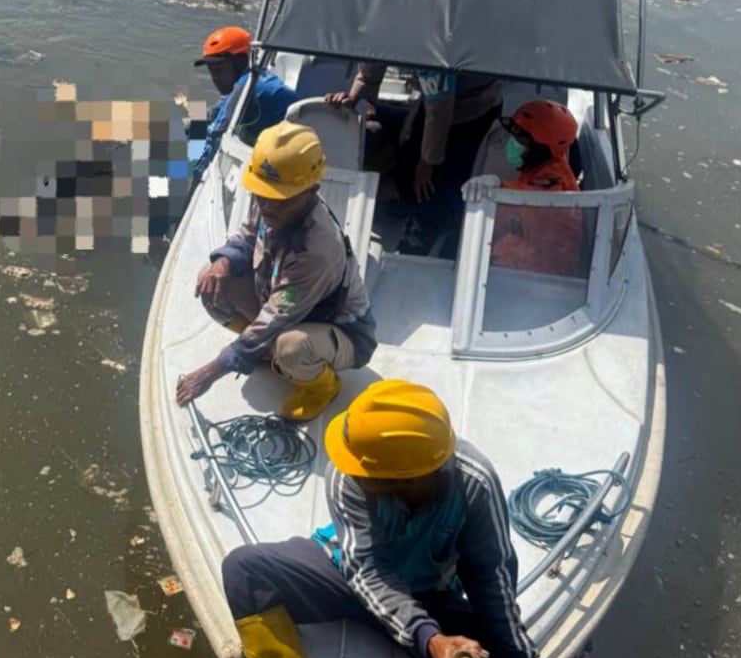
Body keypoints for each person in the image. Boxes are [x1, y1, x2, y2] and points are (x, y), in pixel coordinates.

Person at [221, 379, 559, 658]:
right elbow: (366, 570)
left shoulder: (474, 482)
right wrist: (431, 640)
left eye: (367, 475)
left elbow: (490, 575)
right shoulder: (346, 473)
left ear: (407, 479)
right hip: (346, 576)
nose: (353, 473)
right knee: (244, 569)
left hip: (427, 596)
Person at [174, 120, 376, 422]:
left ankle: (322, 386)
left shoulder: (318, 251)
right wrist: (223, 262)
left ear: (311, 191)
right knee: (213, 284)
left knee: (290, 347)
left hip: (340, 331)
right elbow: (247, 236)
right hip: (286, 304)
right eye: (261, 194)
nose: (267, 206)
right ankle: (261, 353)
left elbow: (275, 319)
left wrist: (211, 372)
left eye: (279, 200)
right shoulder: (269, 198)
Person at [326, 64, 501, 253]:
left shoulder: (434, 62)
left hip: (471, 108)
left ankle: (428, 231)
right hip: (431, 98)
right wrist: (355, 97)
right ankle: (411, 202)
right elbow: (372, 68)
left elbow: (439, 111)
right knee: (409, 158)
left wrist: (427, 163)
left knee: (438, 183)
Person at [462, 100, 583, 277]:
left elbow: (528, 197)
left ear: (541, 148)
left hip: (535, 278)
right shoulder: (547, 166)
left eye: (520, 140)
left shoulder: (552, 188)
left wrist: (497, 185)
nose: (513, 143)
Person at [192, 26, 299, 182]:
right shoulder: (255, 76)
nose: (215, 79)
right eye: (211, 71)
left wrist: (197, 179)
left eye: (219, 70)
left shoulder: (247, 87)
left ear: (240, 62)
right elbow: (218, 110)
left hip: (283, 163)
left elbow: (217, 133)